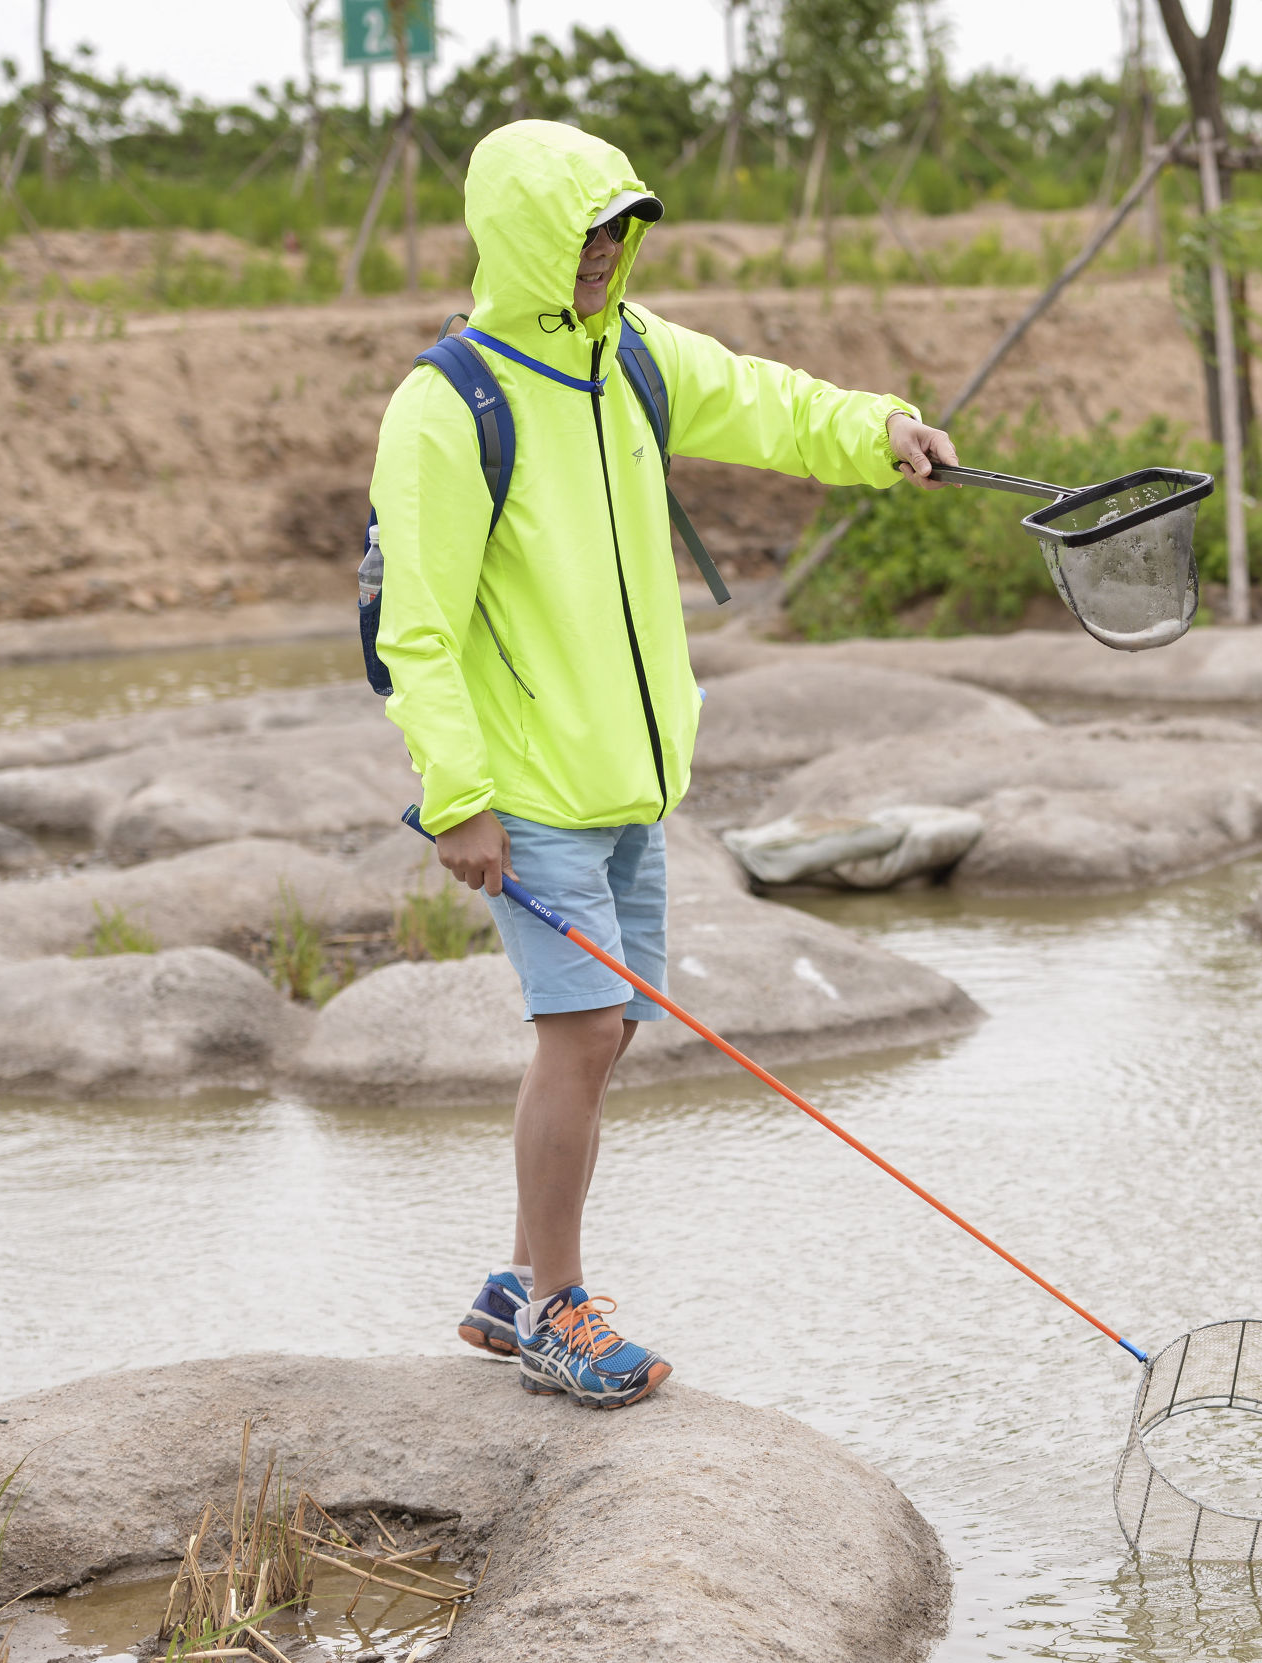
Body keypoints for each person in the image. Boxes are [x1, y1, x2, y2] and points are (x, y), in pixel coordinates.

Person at [371, 120, 957, 1410]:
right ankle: (558, 1312)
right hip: (527, 789)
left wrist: (884, 431)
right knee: (577, 1031)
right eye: (578, 235)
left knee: (610, 1031)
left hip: (630, 779)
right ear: (520, 236)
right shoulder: (450, 402)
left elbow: (767, 398)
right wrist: (456, 802)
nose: (598, 257)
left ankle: (515, 1282)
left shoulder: (631, 353)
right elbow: (416, 623)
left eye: (614, 232)